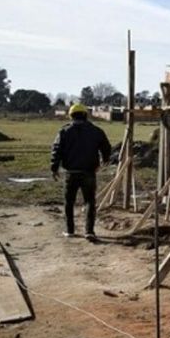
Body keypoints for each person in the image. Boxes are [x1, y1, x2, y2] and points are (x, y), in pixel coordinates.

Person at [50, 103, 112, 240]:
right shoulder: (96, 131)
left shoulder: (64, 131)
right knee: (90, 201)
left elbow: (56, 150)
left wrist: (54, 168)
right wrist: (105, 159)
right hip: (89, 172)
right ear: (85, 115)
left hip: (71, 173)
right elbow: (106, 147)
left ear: (71, 116)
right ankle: (89, 231)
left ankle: (69, 230)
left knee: (69, 202)